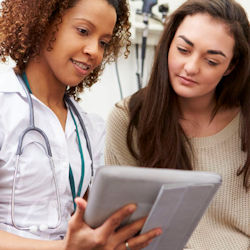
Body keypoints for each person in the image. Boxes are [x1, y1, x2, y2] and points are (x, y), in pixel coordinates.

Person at [0, 0, 162, 249]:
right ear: (42, 22)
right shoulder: (4, 108)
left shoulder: (89, 128)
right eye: (83, 31)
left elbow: (85, 219)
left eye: (103, 42)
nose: (94, 52)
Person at [105, 0, 250, 249]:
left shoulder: (245, 120)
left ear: (231, 66)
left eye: (212, 61)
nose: (191, 68)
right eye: (183, 49)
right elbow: (122, 229)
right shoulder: (128, 119)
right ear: (169, 43)